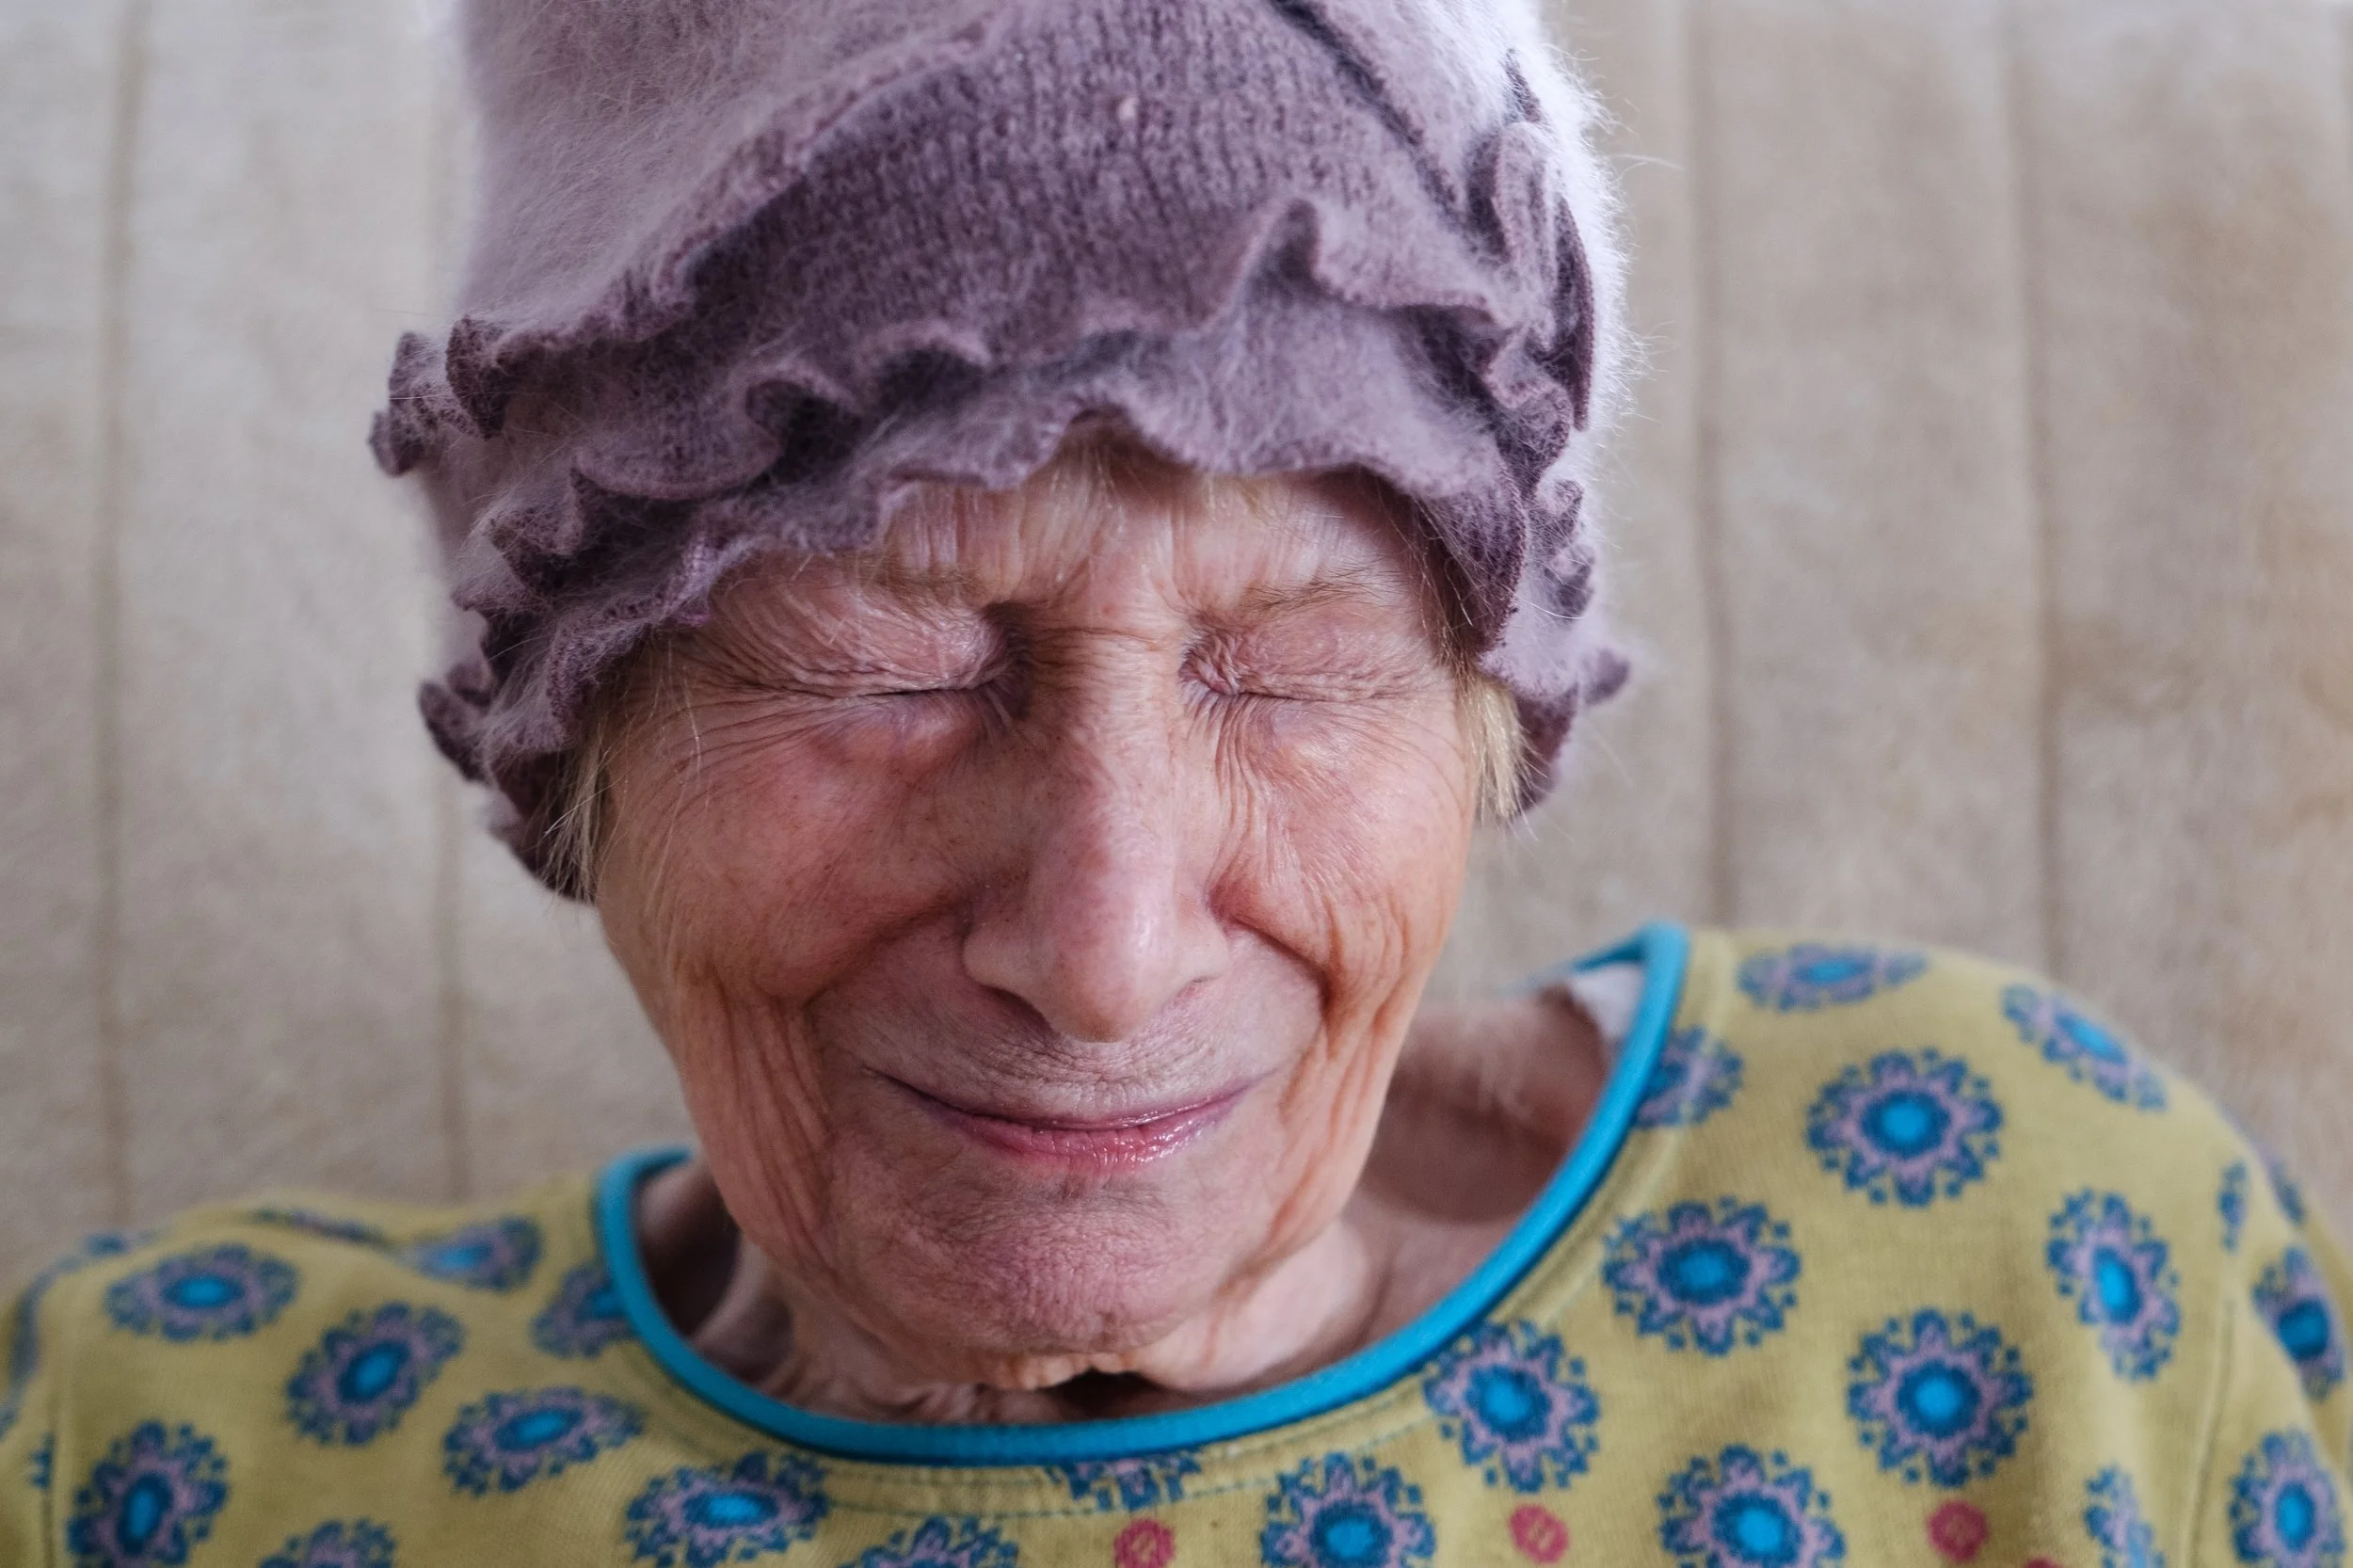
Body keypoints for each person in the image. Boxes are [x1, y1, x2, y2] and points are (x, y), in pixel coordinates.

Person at [5, 0, 2346, 1563]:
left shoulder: (2019, 1258)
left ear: (1480, 727)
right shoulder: (166, 1449)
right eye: (891, 660)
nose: (1106, 941)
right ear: (578, 724)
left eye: (1289, 671)